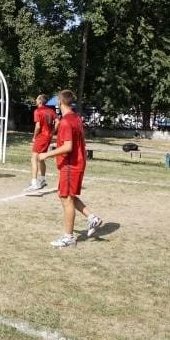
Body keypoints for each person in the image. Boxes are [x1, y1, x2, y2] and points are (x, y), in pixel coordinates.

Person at [37, 90, 102, 248]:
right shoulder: (75, 118)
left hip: (70, 165)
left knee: (66, 199)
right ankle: (91, 217)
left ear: (60, 102)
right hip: (76, 163)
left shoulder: (66, 121)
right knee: (66, 195)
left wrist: (47, 154)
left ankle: (68, 237)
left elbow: (68, 146)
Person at [27, 94, 58, 192]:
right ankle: (43, 179)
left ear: (40, 101)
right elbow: (58, 122)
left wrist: (34, 137)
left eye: (36, 99)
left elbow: (38, 126)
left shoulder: (38, 111)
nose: (35, 100)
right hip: (48, 137)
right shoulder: (51, 111)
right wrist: (52, 132)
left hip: (41, 137)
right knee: (41, 158)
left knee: (34, 158)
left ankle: (34, 182)